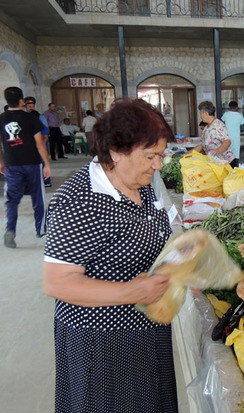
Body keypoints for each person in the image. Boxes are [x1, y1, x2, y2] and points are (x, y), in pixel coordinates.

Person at [42, 98, 178, 412]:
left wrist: (180, 268)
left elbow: (150, 236)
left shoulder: (140, 183)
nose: (157, 165)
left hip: (147, 330)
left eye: (160, 155)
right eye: (150, 156)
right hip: (102, 343)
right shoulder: (78, 200)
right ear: (116, 152)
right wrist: (131, 291)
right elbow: (57, 282)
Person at [0, 87, 51, 247]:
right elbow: (40, 144)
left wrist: (1, 162)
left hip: (12, 164)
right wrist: (47, 164)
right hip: (32, 163)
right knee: (38, 197)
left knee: (12, 199)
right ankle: (41, 229)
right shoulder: (31, 119)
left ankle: (10, 230)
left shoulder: (1, 119)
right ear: (22, 101)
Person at [192, 100, 236, 167]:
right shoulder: (206, 128)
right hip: (215, 164)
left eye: (201, 113)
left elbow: (227, 141)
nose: (200, 116)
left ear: (206, 113)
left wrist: (218, 150)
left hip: (226, 163)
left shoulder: (218, 125)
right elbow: (201, 146)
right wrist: (188, 154)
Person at [25, 96, 51, 187]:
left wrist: (42, 145)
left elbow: (45, 134)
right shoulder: (25, 118)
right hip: (32, 146)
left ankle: (46, 181)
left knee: (43, 162)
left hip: (40, 145)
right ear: (25, 107)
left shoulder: (40, 117)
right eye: (29, 106)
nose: (31, 108)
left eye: (32, 106)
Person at [221, 100, 244, 166]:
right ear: (237, 107)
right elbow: (242, 129)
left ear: (229, 107)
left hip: (226, 139)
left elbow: (221, 126)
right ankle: (235, 171)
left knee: (226, 155)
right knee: (235, 155)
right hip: (236, 139)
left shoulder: (225, 115)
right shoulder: (240, 116)